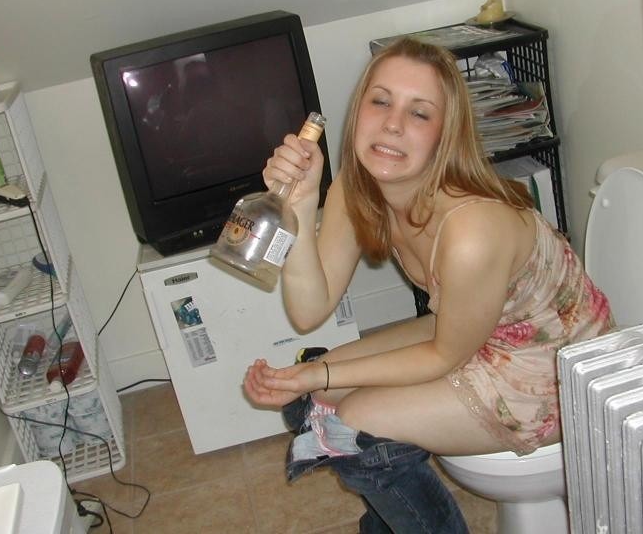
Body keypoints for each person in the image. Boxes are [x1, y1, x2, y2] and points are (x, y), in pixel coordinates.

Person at [244, 37, 614, 533]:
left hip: (557, 367)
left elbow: (443, 356)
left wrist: (319, 375)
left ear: (445, 134)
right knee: (312, 400)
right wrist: (300, 204)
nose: (393, 124)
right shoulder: (357, 187)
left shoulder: (471, 229)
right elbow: (309, 309)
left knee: (353, 423)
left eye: (419, 113)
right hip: (476, 332)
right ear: (357, 112)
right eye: (380, 101)